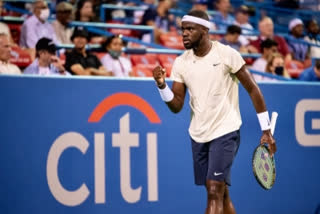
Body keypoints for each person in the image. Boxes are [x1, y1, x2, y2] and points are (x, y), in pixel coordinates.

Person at [152, 10, 276, 214]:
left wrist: (266, 130)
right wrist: (162, 86)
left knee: (213, 190)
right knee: (221, 192)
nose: (184, 34)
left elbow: (253, 89)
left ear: (205, 30)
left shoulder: (227, 54)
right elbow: (176, 105)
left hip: (226, 130)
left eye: (190, 29)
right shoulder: (181, 62)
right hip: (199, 134)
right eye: (183, 29)